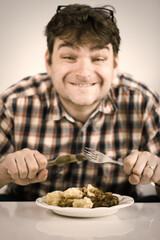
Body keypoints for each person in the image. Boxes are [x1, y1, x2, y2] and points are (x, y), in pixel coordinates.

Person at [0, 4, 160, 201]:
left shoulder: (144, 102)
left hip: (118, 226)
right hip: (28, 221)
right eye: (69, 57)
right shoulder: (14, 102)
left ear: (115, 64)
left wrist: (157, 173)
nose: (84, 73)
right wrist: (5, 170)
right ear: (49, 62)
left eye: (98, 58)